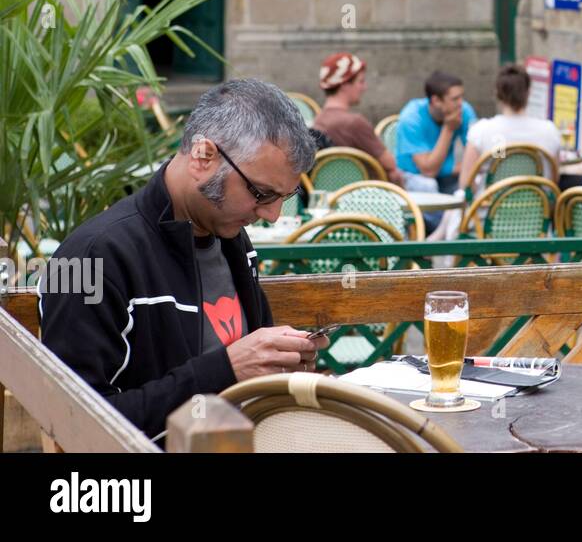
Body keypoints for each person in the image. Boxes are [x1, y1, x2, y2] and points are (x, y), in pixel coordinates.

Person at [39, 79, 328, 441]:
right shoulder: (89, 258)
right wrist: (224, 369)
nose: (271, 215)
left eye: (285, 196)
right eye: (262, 193)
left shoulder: (229, 236)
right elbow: (74, 420)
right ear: (203, 156)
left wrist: (280, 361)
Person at [458, 64, 562, 191]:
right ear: (528, 93)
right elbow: (554, 180)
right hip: (538, 208)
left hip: (490, 208)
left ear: (497, 93)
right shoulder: (550, 131)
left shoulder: (481, 131)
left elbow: (466, 183)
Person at [310, 52, 403, 183]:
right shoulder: (355, 123)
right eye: (361, 81)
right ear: (344, 85)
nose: (364, 88)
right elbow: (390, 163)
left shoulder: (318, 120)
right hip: (368, 194)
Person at [395, 70, 477, 193]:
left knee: (477, 181)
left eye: (461, 97)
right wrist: (448, 129)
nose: (461, 103)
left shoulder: (464, 110)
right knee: (429, 185)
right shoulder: (411, 118)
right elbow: (428, 171)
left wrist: (464, 169)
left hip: (446, 175)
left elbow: (479, 153)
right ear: (436, 101)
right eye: (455, 99)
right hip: (413, 176)